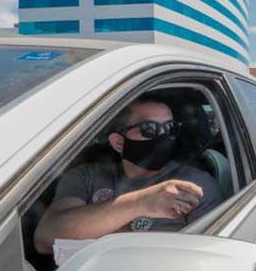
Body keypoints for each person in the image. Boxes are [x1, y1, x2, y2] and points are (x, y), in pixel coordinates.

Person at [35, 95, 222, 253]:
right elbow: (45, 239)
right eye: (149, 129)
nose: (164, 136)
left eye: (170, 128)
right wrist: (140, 203)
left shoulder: (195, 184)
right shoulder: (85, 176)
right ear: (118, 142)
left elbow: (204, 257)